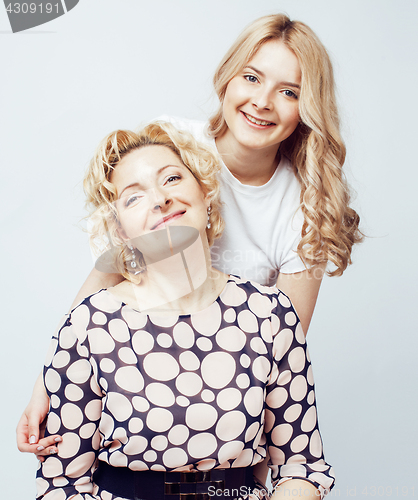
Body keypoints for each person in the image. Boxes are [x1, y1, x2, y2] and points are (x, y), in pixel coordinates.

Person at [17, 13, 361, 460]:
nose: (262, 102)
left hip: (227, 401)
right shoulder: (171, 148)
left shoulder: (306, 211)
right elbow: (107, 277)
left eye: (289, 92)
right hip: (135, 383)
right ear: (227, 77)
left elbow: (277, 358)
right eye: (251, 78)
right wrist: (51, 379)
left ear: (306, 108)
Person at [35, 121, 335, 500]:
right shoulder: (88, 326)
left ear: (206, 193)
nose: (159, 199)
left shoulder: (271, 316)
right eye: (133, 197)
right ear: (121, 232)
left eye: (172, 178)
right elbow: (61, 486)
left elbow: (303, 470)